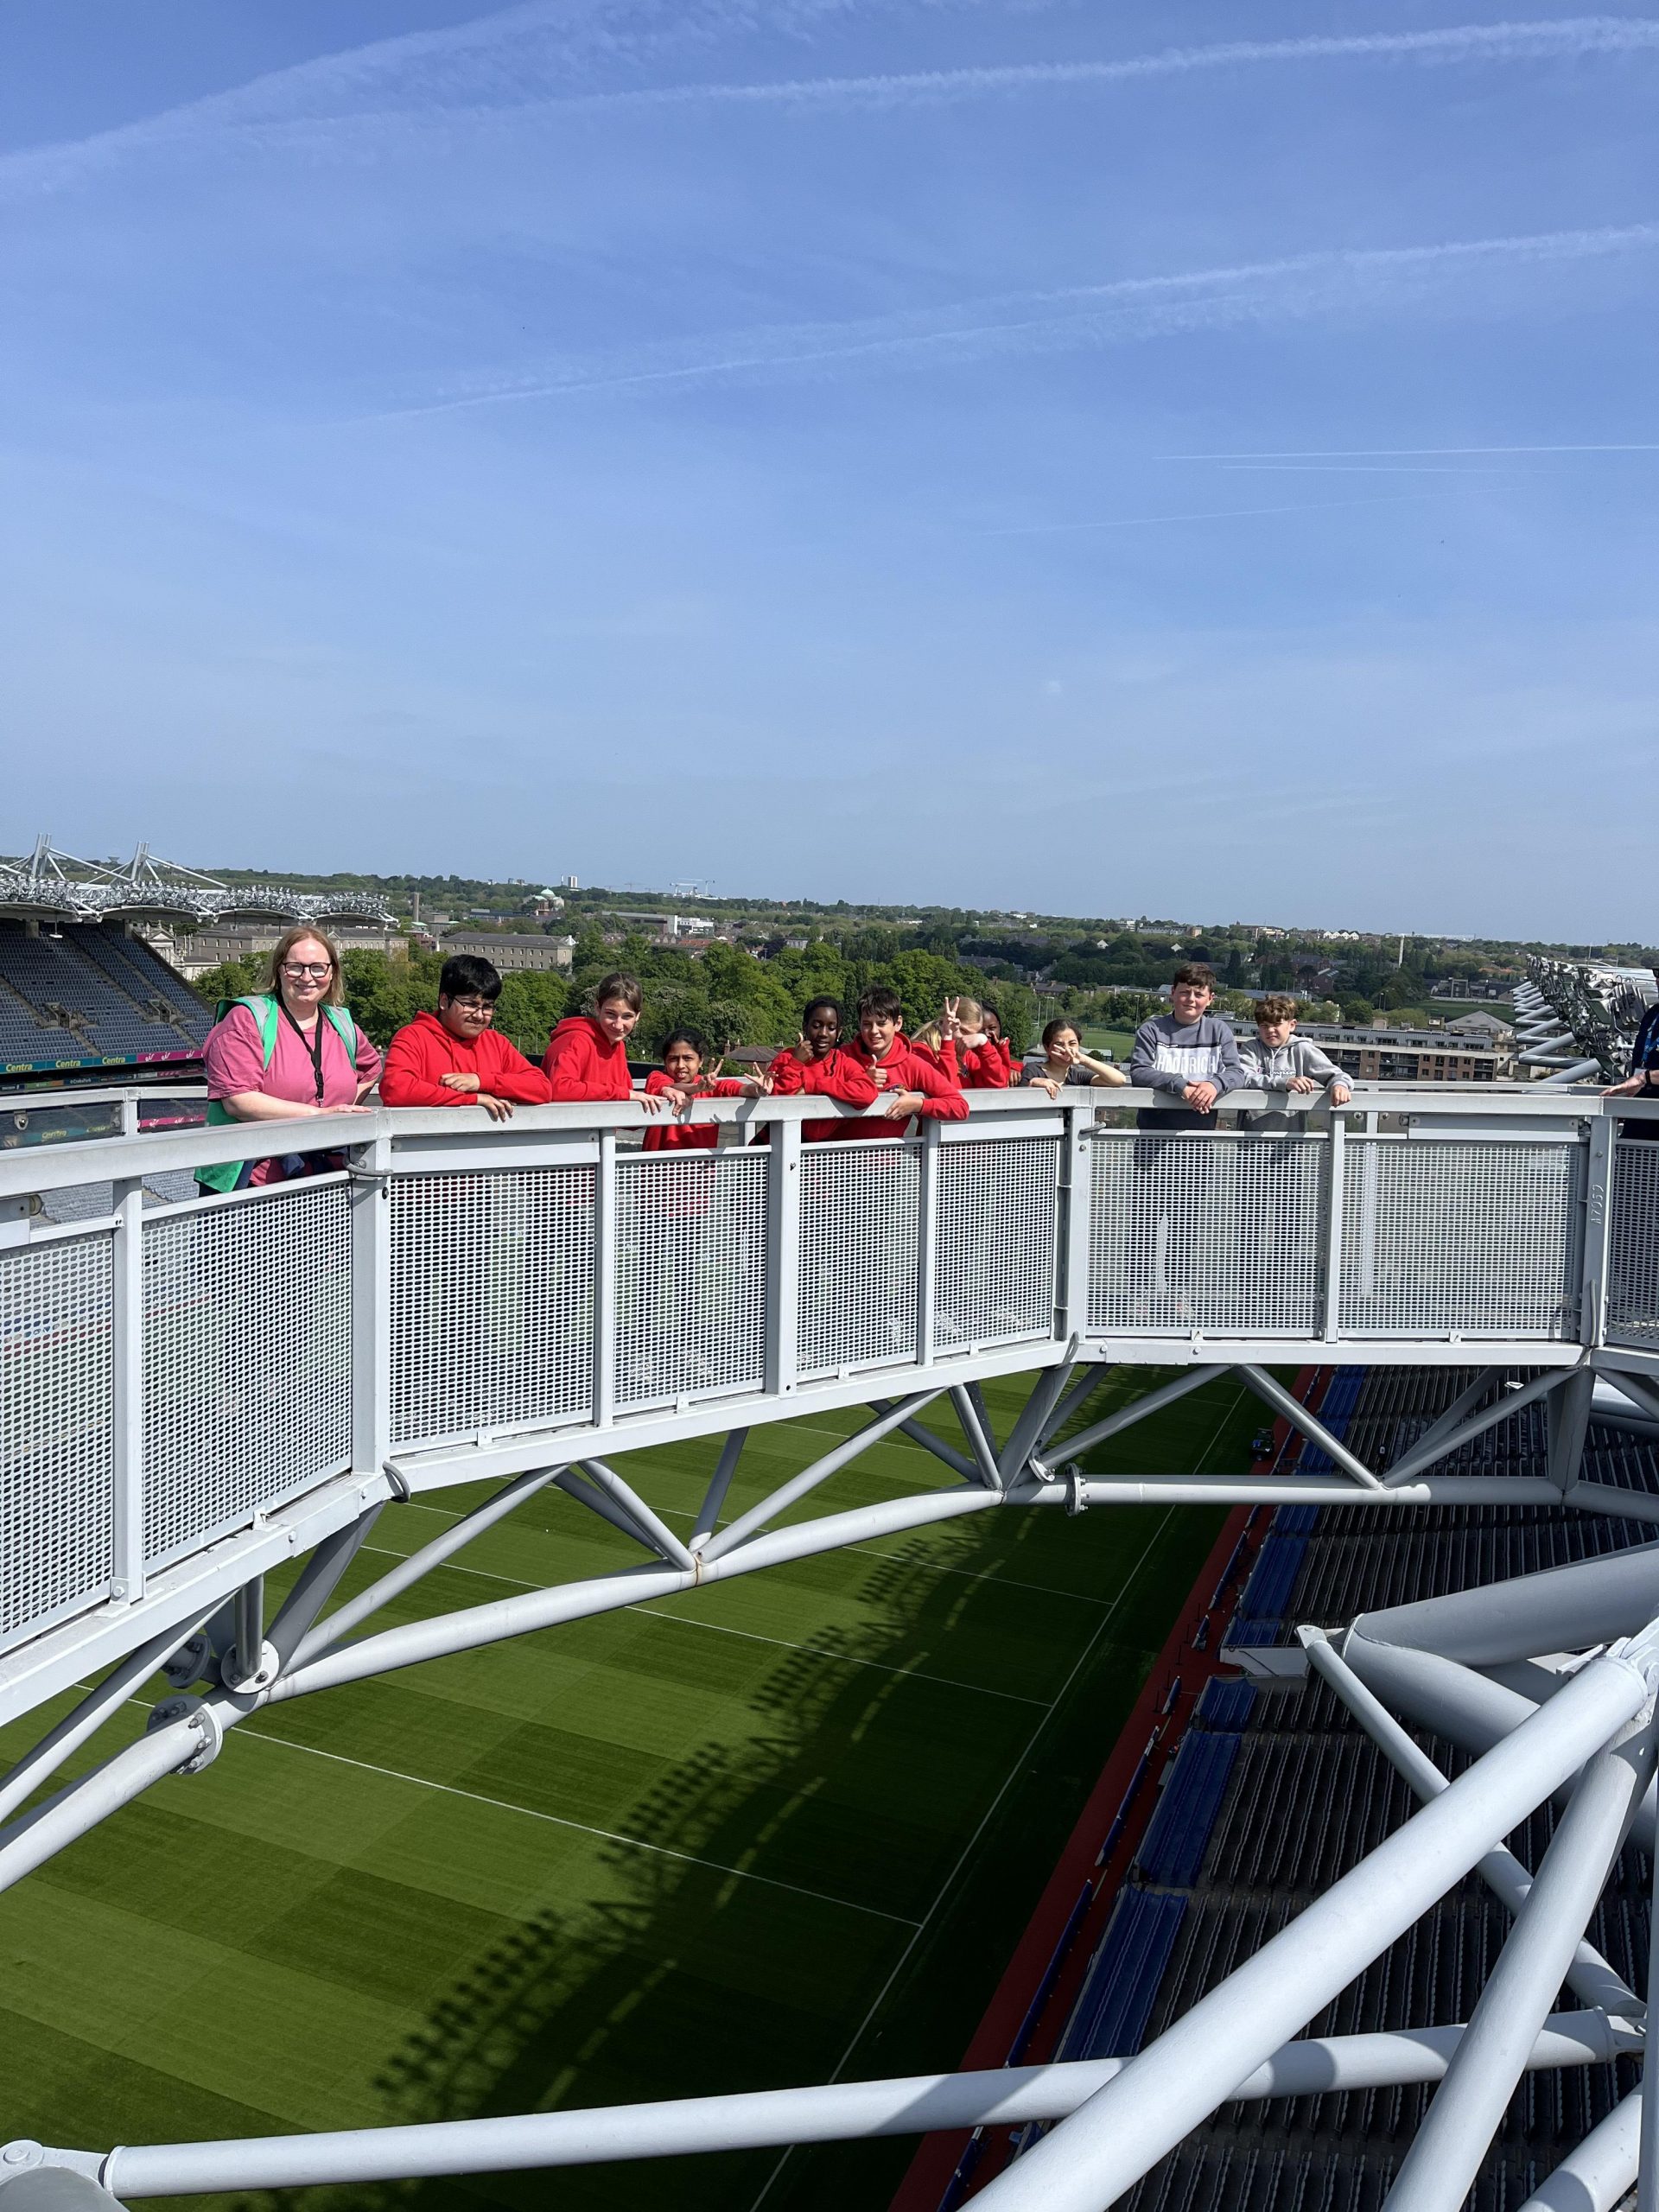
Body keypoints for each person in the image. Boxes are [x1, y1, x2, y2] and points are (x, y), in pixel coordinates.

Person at [198, 925, 380, 1192]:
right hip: (252, 1181)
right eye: (295, 967)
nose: (307, 977)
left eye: (318, 968)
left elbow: (371, 1069)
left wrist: (344, 1111)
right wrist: (321, 1115)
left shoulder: (342, 1023)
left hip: (328, 1178)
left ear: (332, 973)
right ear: (279, 970)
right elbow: (238, 1101)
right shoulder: (247, 1020)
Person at [380, 954, 554, 1121]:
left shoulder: (496, 1043)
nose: (479, 1015)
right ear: (444, 1001)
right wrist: (473, 1099)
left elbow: (542, 1088)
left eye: (487, 1007)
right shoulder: (413, 1037)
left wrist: (481, 1081)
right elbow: (396, 1089)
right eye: (470, 1004)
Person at [838, 985, 969, 1138]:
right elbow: (817, 1089)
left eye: (881, 1023)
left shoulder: (911, 1064)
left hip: (889, 1153)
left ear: (898, 1023)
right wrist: (861, 1083)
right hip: (835, 1150)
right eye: (867, 1024)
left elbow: (960, 1107)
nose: (874, 1031)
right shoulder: (842, 1056)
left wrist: (918, 1105)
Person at [1128, 963, 1247, 1130]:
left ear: (1210, 999)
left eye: (1199, 994)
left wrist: (1214, 1085)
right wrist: (1179, 1085)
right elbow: (1139, 1072)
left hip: (1201, 1136)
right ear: (1173, 992)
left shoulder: (1219, 1030)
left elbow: (1237, 1073)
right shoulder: (1151, 1030)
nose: (1191, 999)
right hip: (1153, 1135)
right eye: (1184, 992)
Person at [543, 972, 667, 1109]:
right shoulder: (575, 1040)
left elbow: (626, 1098)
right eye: (611, 1014)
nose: (618, 1025)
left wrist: (665, 1089)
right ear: (597, 1008)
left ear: (637, 1016)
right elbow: (559, 1089)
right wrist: (621, 1094)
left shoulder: (618, 1045)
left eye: (627, 1016)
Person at [765, 996, 881, 1141]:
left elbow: (867, 1092)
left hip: (820, 1150)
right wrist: (796, 1063)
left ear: (839, 1033)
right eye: (816, 1026)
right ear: (805, 1027)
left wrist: (815, 1086)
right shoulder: (787, 1058)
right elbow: (774, 1103)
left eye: (831, 1028)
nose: (823, 1034)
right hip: (775, 1143)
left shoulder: (843, 1062)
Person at [1236, 995, 1352, 1131]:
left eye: (1276, 1024)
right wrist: (1284, 1083)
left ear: (1292, 1025)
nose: (1270, 1030)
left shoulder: (1302, 1049)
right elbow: (1242, 1077)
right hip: (1250, 1137)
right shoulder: (1251, 1049)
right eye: (1264, 1026)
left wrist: (1339, 1085)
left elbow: (1337, 1075)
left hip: (1291, 1138)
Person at [643, 1031, 766, 1150]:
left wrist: (759, 1089)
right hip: (657, 1163)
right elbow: (670, 1087)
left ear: (700, 1061)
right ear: (665, 1061)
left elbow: (739, 1089)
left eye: (687, 1058)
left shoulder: (709, 1085)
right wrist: (696, 1088)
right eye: (673, 1059)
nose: (680, 1065)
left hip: (701, 1163)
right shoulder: (656, 1077)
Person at [912, 998, 1009, 1090]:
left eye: (973, 1034)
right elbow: (946, 1089)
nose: (967, 1039)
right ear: (946, 1023)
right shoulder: (919, 1052)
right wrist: (947, 1039)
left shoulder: (965, 1053)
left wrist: (984, 1043)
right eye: (963, 1031)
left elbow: (997, 1084)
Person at [1027, 1018, 1128, 1098]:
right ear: (1047, 1047)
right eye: (1059, 1044)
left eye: (1072, 1044)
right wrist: (1032, 1083)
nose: (1066, 1049)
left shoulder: (1077, 1077)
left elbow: (1119, 1080)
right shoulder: (1033, 1070)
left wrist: (1084, 1060)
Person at [981, 1006, 1020, 1084]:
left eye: (992, 1028)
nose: (986, 1034)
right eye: (980, 1030)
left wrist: (1012, 1068)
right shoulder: (966, 1055)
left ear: (1000, 1027)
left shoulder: (1002, 1049)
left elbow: (1018, 1064)